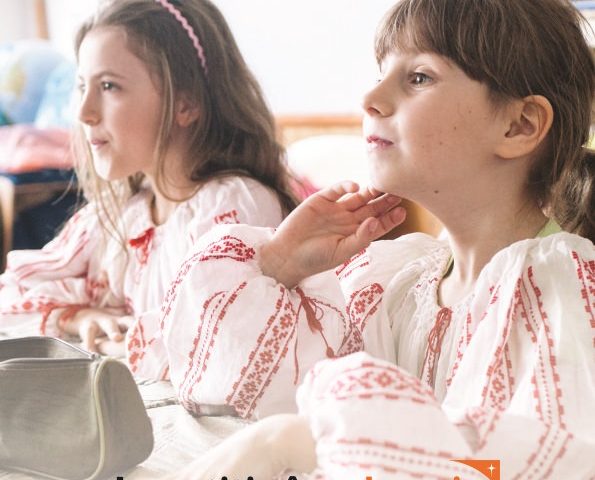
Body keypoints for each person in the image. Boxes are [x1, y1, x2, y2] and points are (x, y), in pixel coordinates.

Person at [160, 0, 595, 478]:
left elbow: (533, 466)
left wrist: (297, 442)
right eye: (380, 73)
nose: (369, 97)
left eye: (419, 77)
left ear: (519, 126)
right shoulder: (399, 283)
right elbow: (238, 398)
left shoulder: (562, 293)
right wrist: (279, 263)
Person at [0, 0, 297, 364]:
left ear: (185, 104)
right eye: (81, 86)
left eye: (109, 86)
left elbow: (213, 344)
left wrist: (114, 343)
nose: (83, 112)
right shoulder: (119, 216)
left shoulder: (233, 208)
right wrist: (77, 316)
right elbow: (11, 292)